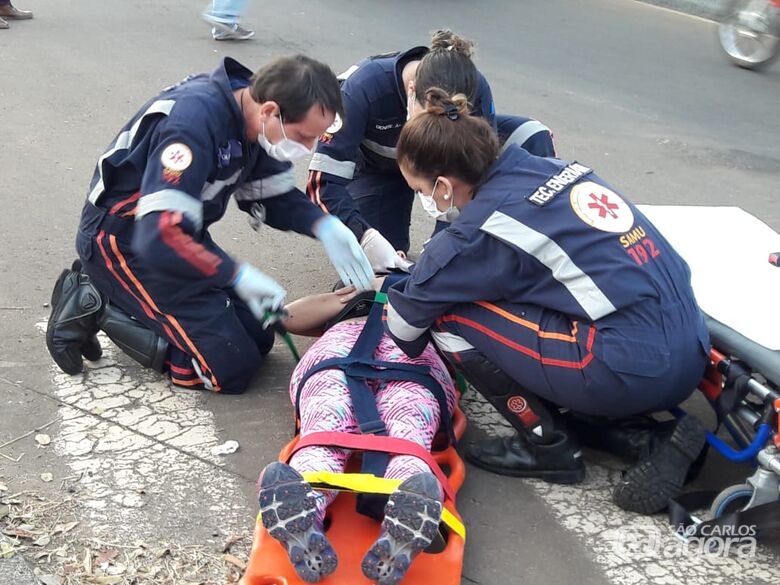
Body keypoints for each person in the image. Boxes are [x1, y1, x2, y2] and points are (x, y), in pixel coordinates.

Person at [386, 89, 711, 514]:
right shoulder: (550, 168)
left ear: (444, 186)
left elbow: (404, 328)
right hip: (692, 345)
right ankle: (636, 436)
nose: (426, 200)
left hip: (629, 369)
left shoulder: (475, 234)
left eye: (422, 190)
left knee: (447, 314)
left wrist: (396, 281)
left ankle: (548, 445)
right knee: (557, 304)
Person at [45, 56, 373, 395]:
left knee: (259, 336)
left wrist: (325, 225)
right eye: (304, 136)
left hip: (179, 237)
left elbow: (271, 197)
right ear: (270, 111)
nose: (307, 148)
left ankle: (123, 300)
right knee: (227, 370)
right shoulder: (193, 125)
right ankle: (98, 299)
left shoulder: (251, 120)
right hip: (125, 241)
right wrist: (235, 274)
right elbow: (157, 233)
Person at [257, 276, 457, 584]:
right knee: (407, 429)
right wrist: (359, 290)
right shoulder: (364, 297)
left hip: (350, 357)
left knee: (327, 428)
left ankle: (307, 498)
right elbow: (285, 318)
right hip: (399, 357)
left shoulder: (435, 290)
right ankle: (409, 494)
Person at [307, 30, 556, 272]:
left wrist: (447, 241)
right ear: (412, 91)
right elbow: (322, 183)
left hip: (447, 169)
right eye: (430, 119)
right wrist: (363, 235)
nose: (434, 133)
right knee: (381, 264)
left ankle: (531, 251)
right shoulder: (362, 89)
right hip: (379, 170)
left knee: (530, 135)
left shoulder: (475, 87)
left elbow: (479, 176)